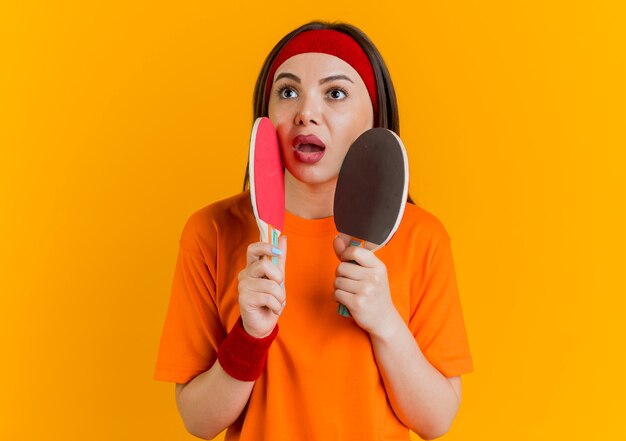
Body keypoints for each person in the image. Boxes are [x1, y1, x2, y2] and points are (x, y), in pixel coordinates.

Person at [154, 21, 473, 440]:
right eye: (288, 92)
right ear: (265, 116)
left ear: (374, 116)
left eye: (335, 93)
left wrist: (385, 323)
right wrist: (250, 337)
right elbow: (198, 421)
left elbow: (437, 422)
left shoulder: (421, 237)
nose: (306, 112)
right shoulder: (211, 231)